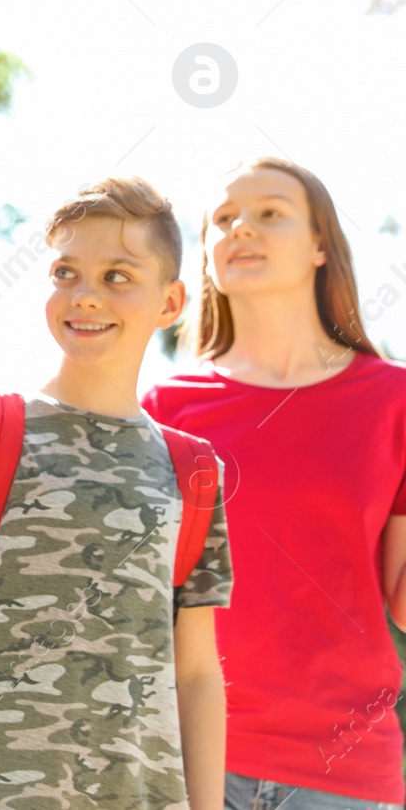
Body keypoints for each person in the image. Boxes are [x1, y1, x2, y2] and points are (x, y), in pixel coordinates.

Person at [0, 177, 233, 810]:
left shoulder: (195, 471)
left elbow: (197, 673)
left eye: (118, 275)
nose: (86, 296)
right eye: (66, 272)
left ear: (170, 301)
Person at [143, 157, 406, 810]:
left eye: (269, 213)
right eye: (223, 219)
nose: (241, 229)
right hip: (182, 761)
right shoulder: (160, 409)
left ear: (322, 246)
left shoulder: (393, 400)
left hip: (343, 770)